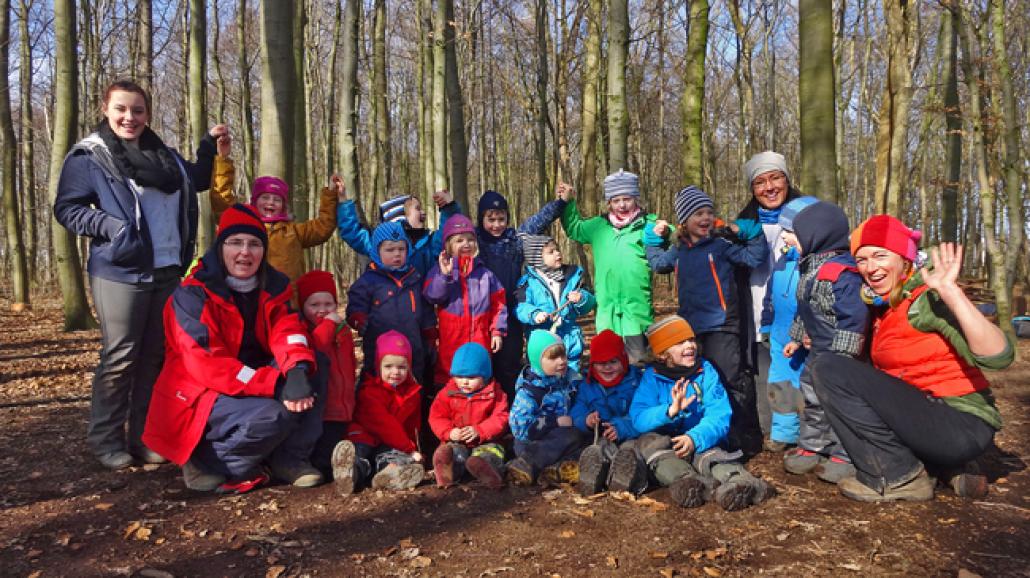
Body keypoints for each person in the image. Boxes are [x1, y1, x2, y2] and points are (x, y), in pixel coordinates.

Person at [53, 79, 225, 470]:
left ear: (148, 114)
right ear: (106, 110)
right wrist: (112, 227)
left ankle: (144, 437)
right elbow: (68, 208)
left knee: (154, 357)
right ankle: (106, 440)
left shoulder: (164, 156)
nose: (130, 117)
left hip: (167, 267)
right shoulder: (90, 157)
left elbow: (195, 180)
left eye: (138, 110)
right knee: (121, 355)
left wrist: (207, 146)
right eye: (122, 109)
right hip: (120, 270)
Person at [812, 216, 1012, 502]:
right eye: (862, 259)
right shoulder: (882, 307)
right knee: (846, 369)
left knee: (829, 368)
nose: (870, 267)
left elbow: (999, 358)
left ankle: (897, 477)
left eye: (880, 256)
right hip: (932, 419)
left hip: (959, 421)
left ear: (905, 260)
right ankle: (948, 468)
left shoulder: (925, 299)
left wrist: (952, 294)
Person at [143, 204, 326, 493]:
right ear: (220, 246)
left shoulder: (274, 285)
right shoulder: (192, 294)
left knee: (316, 364)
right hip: (199, 390)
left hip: (250, 379)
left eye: (254, 244)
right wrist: (275, 384)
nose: (245, 252)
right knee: (273, 413)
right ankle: (206, 460)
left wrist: (297, 369)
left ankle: (289, 458)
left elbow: (288, 330)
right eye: (235, 242)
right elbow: (207, 363)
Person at [645, 186, 768, 454]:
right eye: (698, 213)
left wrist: (751, 232)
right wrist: (652, 241)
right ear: (684, 221)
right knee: (700, 381)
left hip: (723, 325)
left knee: (730, 379)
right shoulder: (679, 251)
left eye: (709, 212)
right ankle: (705, 432)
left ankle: (743, 438)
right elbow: (658, 264)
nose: (706, 218)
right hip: (691, 329)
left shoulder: (722, 246)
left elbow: (755, 256)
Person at [630, 316, 775, 511]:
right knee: (651, 449)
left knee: (713, 457)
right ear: (662, 354)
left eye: (691, 340)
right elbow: (638, 418)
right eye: (680, 342)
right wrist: (669, 411)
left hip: (701, 438)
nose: (690, 345)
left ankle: (740, 482)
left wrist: (695, 438)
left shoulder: (706, 371)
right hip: (667, 443)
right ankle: (690, 483)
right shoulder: (651, 378)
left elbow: (719, 414)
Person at [780, 199, 868, 484]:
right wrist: (795, 337)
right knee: (813, 398)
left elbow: (854, 315)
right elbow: (805, 309)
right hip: (816, 352)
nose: (788, 240)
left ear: (816, 235)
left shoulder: (841, 273)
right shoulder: (810, 269)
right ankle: (813, 445)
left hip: (839, 355)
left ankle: (845, 452)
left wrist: (844, 355)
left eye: (795, 235)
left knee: (841, 403)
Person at [735, 152, 802, 446]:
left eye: (775, 178)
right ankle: (773, 432)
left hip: (796, 312)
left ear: (787, 180)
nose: (769, 187)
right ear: (752, 189)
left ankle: (805, 433)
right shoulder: (743, 224)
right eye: (760, 182)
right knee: (766, 372)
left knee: (798, 370)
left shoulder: (806, 216)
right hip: (757, 313)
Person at [475, 189, 569, 395]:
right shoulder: (475, 241)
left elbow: (539, 221)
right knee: (483, 364)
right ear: (481, 218)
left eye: (501, 219)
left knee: (509, 362)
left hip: (511, 313)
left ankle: (512, 408)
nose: (496, 224)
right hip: (482, 313)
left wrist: (560, 202)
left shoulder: (515, 240)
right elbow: (451, 235)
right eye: (490, 219)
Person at [560, 173, 659, 364]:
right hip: (607, 310)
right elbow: (575, 228)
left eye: (627, 199)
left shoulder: (647, 225)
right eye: (616, 200)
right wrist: (568, 203)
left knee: (638, 362)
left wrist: (664, 231)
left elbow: (667, 235)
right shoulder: (599, 227)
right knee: (608, 362)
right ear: (609, 203)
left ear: (635, 199)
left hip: (636, 310)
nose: (622, 205)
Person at [332, 331, 426, 494]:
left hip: (391, 443)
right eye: (388, 366)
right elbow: (383, 424)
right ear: (378, 366)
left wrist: (414, 449)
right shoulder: (370, 392)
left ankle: (389, 474)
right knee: (359, 454)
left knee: (394, 457)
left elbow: (412, 425)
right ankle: (349, 473)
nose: (395, 372)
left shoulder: (411, 393)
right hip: (365, 435)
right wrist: (408, 447)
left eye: (402, 367)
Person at [210, 168, 341, 283]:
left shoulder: (294, 231)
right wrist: (223, 160)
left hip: (288, 303)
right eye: (265, 197)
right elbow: (222, 203)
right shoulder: (244, 226)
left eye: (277, 199)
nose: (271, 203)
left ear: (284, 205)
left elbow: (324, 226)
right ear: (255, 201)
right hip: (253, 301)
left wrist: (330, 192)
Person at [423, 214, 508, 387]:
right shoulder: (440, 271)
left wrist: (497, 331)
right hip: (451, 340)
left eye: (470, 239)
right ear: (448, 245)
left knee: (479, 377)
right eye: (459, 240)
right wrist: (445, 276)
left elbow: (499, 304)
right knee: (450, 381)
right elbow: (432, 296)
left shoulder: (485, 274)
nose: (466, 244)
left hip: (480, 338)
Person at [759, 199, 816, 451]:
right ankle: (783, 433)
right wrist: (767, 326)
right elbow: (769, 296)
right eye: (785, 231)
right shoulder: (783, 261)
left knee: (810, 387)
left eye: (791, 232)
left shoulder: (819, 265)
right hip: (781, 337)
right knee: (780, 383)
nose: (786, 238)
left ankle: (811, 438)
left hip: (808, 339)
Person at [347, 221, 436, 381]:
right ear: (377, 251)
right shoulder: (369, 281)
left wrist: (430, 333)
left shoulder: (414, 278)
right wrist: (358, 319)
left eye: (401, 249)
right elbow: (355, 304)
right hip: (379, 349)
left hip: (412, 347)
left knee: (413, 387)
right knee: (376, 390)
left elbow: (426, 309)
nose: (397, 254)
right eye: (390, 250)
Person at [296, 270, 358, 478]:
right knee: (324, 449)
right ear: (303, 306)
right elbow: (318, 350)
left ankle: (348, 470)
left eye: (328, 304)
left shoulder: (342, 330)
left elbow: (350, 362)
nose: (322, 310)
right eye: (314, 305)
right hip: (324, 408)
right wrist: (329, 325)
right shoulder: (304, 331)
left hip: (344, 403)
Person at [571, 330, 648, 496]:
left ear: (624, 361)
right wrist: (586, 420)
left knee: (631, 452)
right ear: (592, 364)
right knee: (599, 449)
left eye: (613, 361)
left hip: (630, 436)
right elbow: (577, 410)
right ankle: (594, 477)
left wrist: (622, 427)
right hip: (600, 436)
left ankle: (630, 478)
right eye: (601, 363)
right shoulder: (587, 385)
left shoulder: (636, 382)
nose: (607, 367)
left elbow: (643, 413)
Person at [507, 331, 584, 486]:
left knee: (582, 437)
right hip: (531, 443)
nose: (562, 361)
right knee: (570, 436)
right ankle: (526, 464)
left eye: (563, 355)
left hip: (559, 439)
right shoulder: (529, 391)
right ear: (537, 361)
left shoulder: (568, 380)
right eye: (553, 358)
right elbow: (520, 427)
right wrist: (554, 422)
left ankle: (555, 471)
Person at [428, 343, 509, 489]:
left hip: (487, 441)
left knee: (490, 455)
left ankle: (487, 471)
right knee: (454, 454)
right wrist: (449, 432)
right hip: (458, 440)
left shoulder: (495, 394)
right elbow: (436, 417)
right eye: (459, 376)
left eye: (471, 377)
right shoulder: (447, 393)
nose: (464, 381)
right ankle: (447, 472)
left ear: (484, 376)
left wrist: (480, 431)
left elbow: (501, 417)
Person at [515, 234, 596, 372]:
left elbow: (589, 302)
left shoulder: (572, 277)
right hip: (543, 341)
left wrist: (581, 299)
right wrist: (534, 314)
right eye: (551, 252)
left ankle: (570, 392)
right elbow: (520, 307)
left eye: (557, 249)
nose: (557, 253)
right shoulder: (528, 283)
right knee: (542, 375)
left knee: (571, 375)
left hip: (569, 338)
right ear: (537, 258)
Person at [336, 188, 460, 276]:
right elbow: (353, 233)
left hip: (420, 310)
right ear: (400, 217)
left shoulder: (429, 245)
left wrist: (448, 208)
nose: (423, 212)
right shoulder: (381, 244)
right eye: (417, 208)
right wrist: (343, 201)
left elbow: (448, 232)